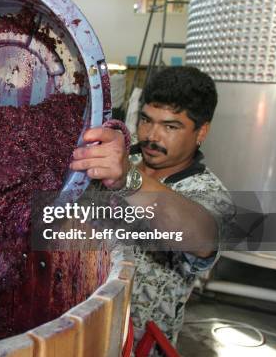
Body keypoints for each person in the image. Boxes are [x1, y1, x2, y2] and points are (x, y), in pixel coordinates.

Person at [69, 66, 235, 349]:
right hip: (74, 325)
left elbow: (202, 236)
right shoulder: (117, 158)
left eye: (170, 126)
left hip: (136, 345)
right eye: (146, 120)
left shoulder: (208, 192)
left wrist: (127, 180)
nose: (151, 136)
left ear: (201, 131)